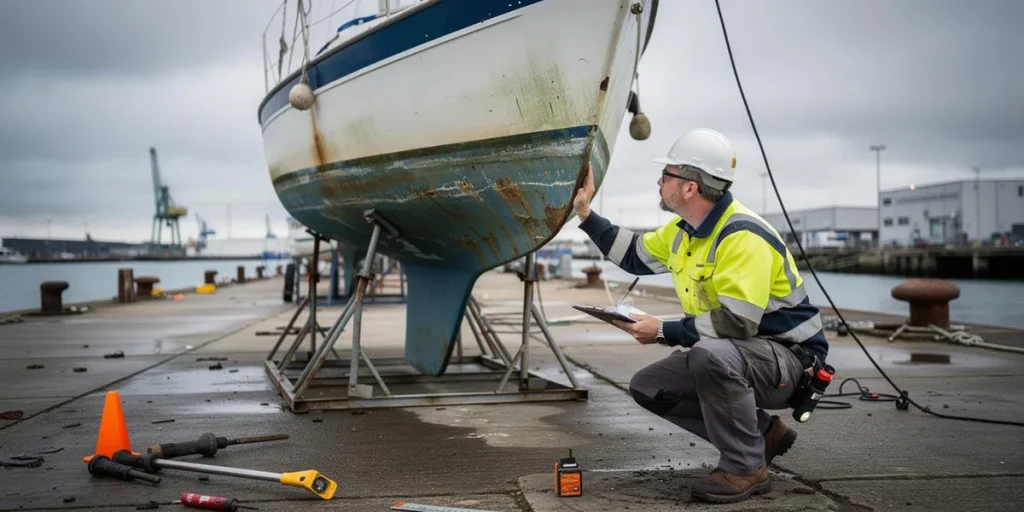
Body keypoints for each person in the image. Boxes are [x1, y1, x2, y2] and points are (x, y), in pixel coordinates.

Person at [572, 128, 830, 504]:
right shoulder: (685, 231)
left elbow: (737, 323)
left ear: (690, 187)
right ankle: (763, 434)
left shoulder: (742, 235)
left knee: (710, 355)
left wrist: (661, 330)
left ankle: (746, 467)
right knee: (650, 386)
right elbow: (632, 255)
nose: (659, 181)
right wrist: (584, 212)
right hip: (743, 354)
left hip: (791, 363)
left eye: (668, 175)